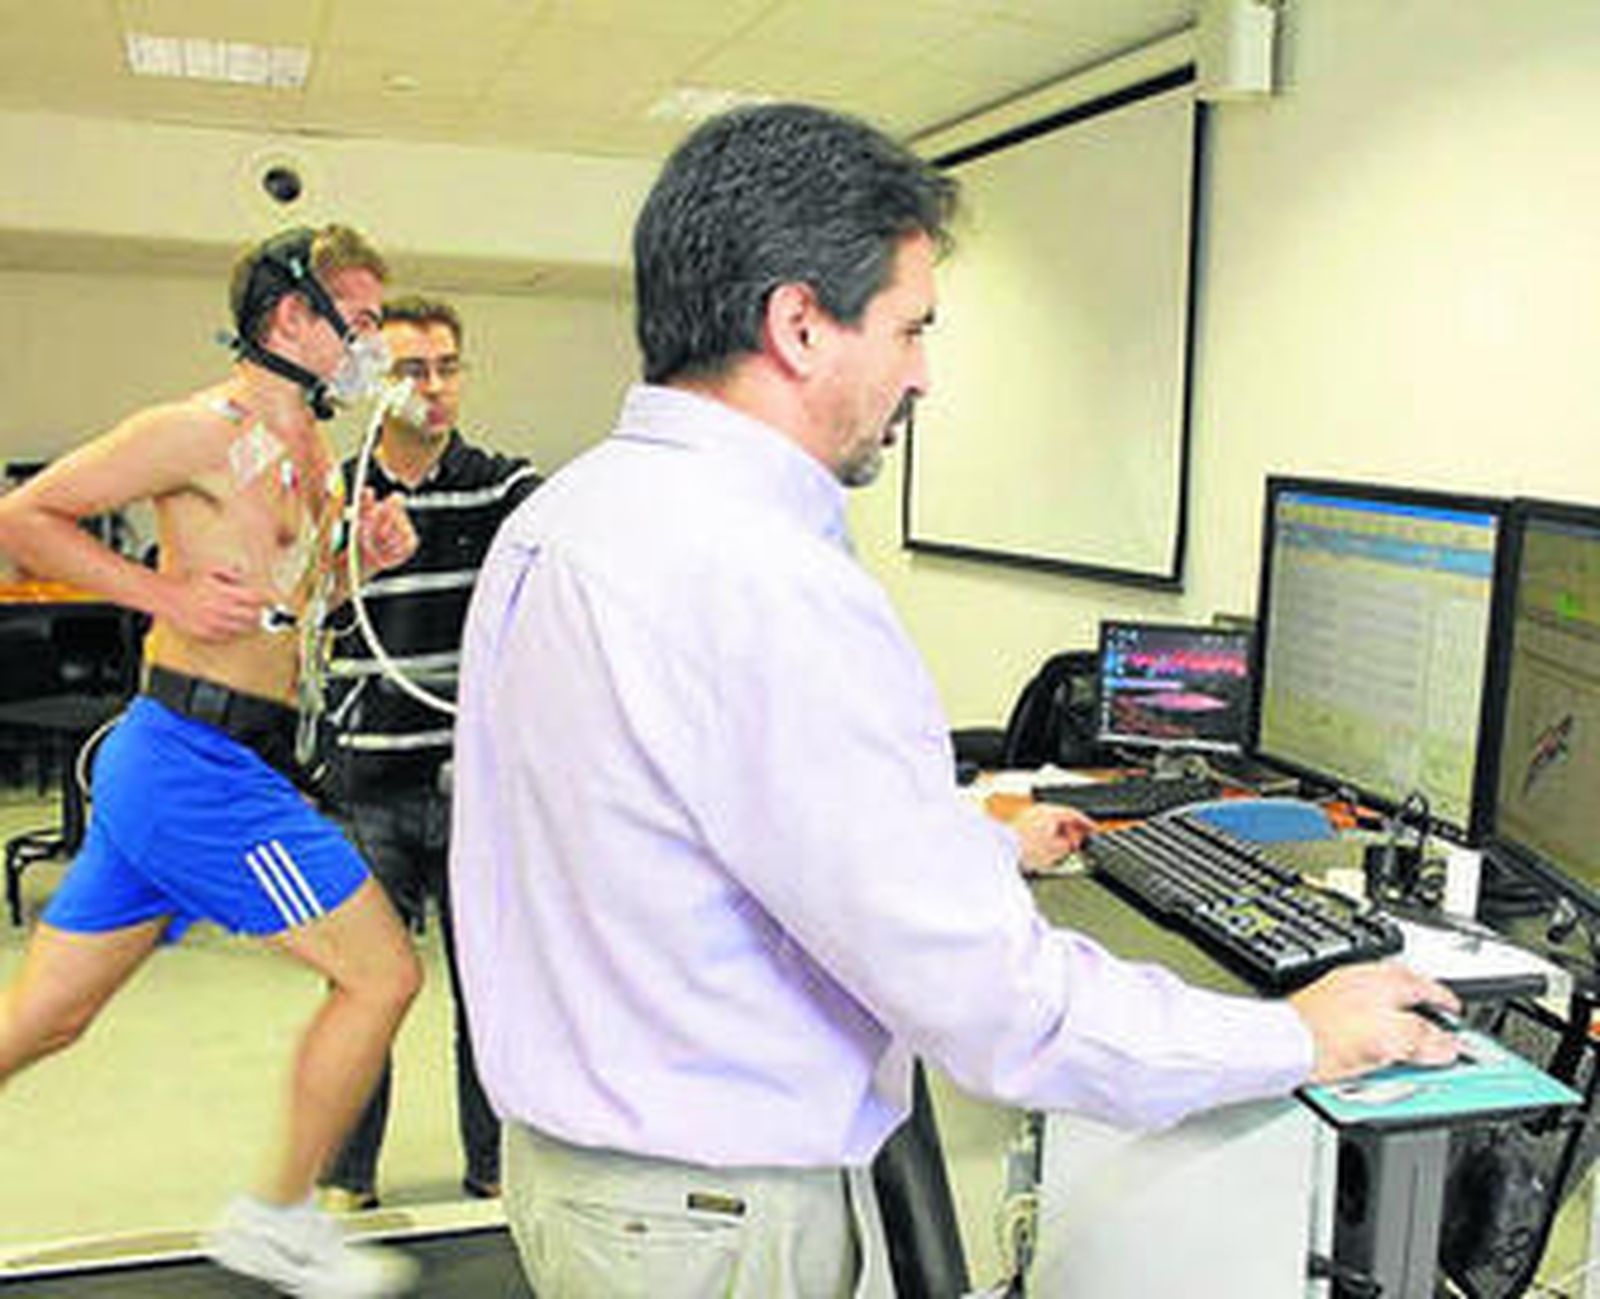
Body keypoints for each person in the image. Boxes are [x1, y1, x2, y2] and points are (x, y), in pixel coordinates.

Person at [450, 104, 1462, 1298]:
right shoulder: (758, 579)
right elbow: (995, 1007)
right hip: (707, 1216)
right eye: (911, 327)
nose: (924, 372)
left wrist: (970, 846)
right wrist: (1300, 1033)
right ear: (798, 325)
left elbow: (702, 842)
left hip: (596, 1183)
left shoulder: (573, 514)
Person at [0, 224, 424, 1298]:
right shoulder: (195, 429)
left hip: (207, 756)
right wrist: (162, 595)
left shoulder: (312, 456)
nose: (376, 347)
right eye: (362, 323)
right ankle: (277, 1220)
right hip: (194, 765)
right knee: (381, 974)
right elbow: (25, 515)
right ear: (293, 321)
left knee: (46, 1019)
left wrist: (353, 562)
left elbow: (292, 610)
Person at [317, 294, 539, 1211]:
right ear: (373, 381)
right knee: (361, 993)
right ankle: (344, 1184)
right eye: (412, 370)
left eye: (449, 366)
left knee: (489, 993)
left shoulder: (502, 485)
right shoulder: (332, 490)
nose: (435, 387)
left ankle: (494, 1173)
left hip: (475, 787)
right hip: (365, 782)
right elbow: (295, 615)